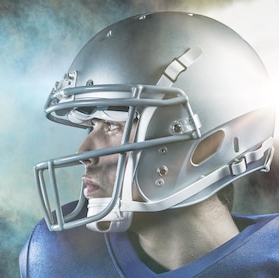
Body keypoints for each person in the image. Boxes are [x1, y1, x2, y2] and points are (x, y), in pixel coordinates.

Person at [20, 11, 279, 277]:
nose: (83, 152)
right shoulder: (59, 256)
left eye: (112, 125)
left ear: (209, 144)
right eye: (90, 126)